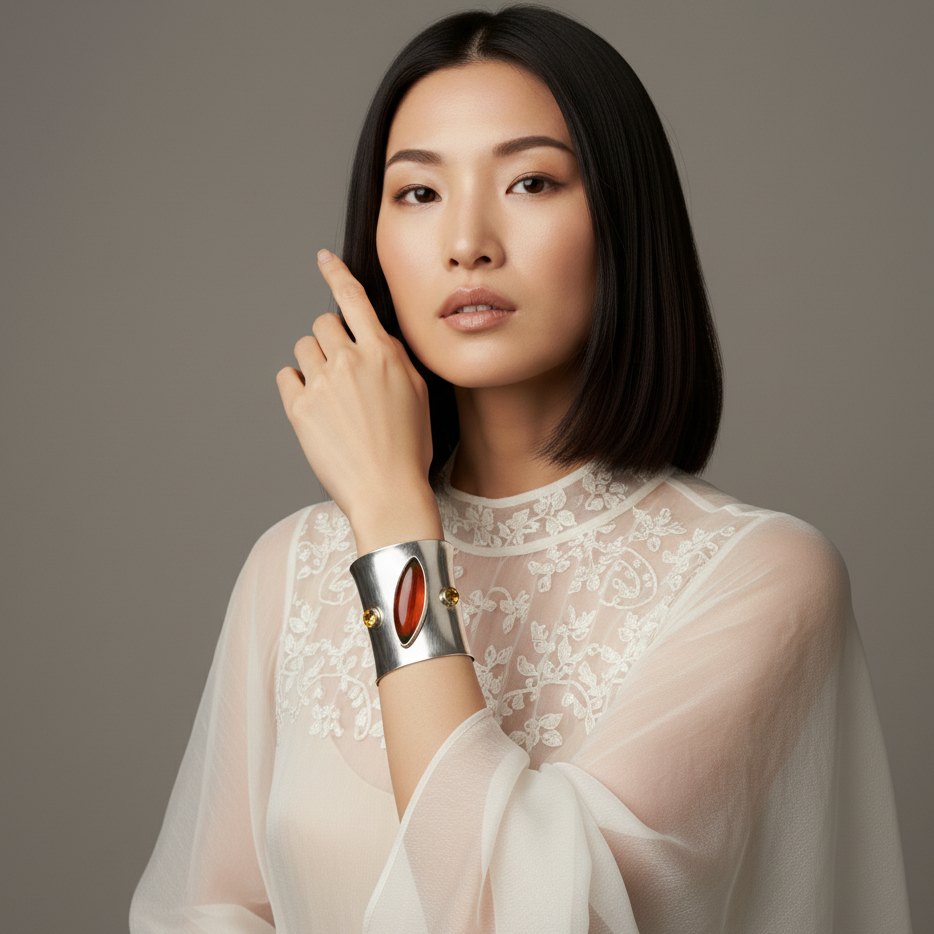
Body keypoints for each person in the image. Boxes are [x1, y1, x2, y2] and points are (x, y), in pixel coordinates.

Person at [130, 7, 911, 933]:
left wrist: (390, 521)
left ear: (623, 219)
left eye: (531, 181)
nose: (468, 241)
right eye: (418, 193)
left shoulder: (760, 577)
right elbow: (204, 911)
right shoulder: (287, 571)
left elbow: (528, 914)